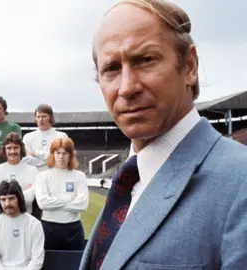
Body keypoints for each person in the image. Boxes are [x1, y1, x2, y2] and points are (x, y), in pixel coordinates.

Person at [79, 0, 247, 269]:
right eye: (111, 68)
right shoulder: (128, 181)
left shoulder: (240, 182)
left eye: (145, 60)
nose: (126, 87)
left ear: (190, 66)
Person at [35, 137, 89, 250]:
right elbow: (43, 204)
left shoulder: (79, 176)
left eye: (65, 153)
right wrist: (68, 198)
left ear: (71, 155)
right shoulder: (42, 176)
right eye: (58, 153)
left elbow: (83, 204)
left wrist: (54, 204)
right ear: (53, 154)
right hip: (49, 228)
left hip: (73, 229)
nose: (61, 157)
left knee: (74, 265)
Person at [0, 180, 45, 270]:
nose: (7, 203)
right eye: (3, 199)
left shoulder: (34, 224)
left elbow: (37, 259)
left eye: (11, 198)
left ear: (19, 199)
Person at [0, 132, 37, 217]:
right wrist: (22, 194)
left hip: (24, 218)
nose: (12, 151)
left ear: (21, 149)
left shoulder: (32, 170)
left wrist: (3, 197)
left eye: (15, 148)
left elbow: (30, 198)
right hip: (2, 218)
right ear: (4, 150)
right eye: (9, 148)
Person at [22, 104, 67, 172]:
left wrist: (36, 153)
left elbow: (60, 157)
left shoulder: (61, 136)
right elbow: (26, 159)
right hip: (34, 177)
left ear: (50, 118)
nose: (40, 119)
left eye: (44, 116)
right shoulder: (27, 137)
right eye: (38, 116)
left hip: (55, 176)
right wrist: (49, 160)